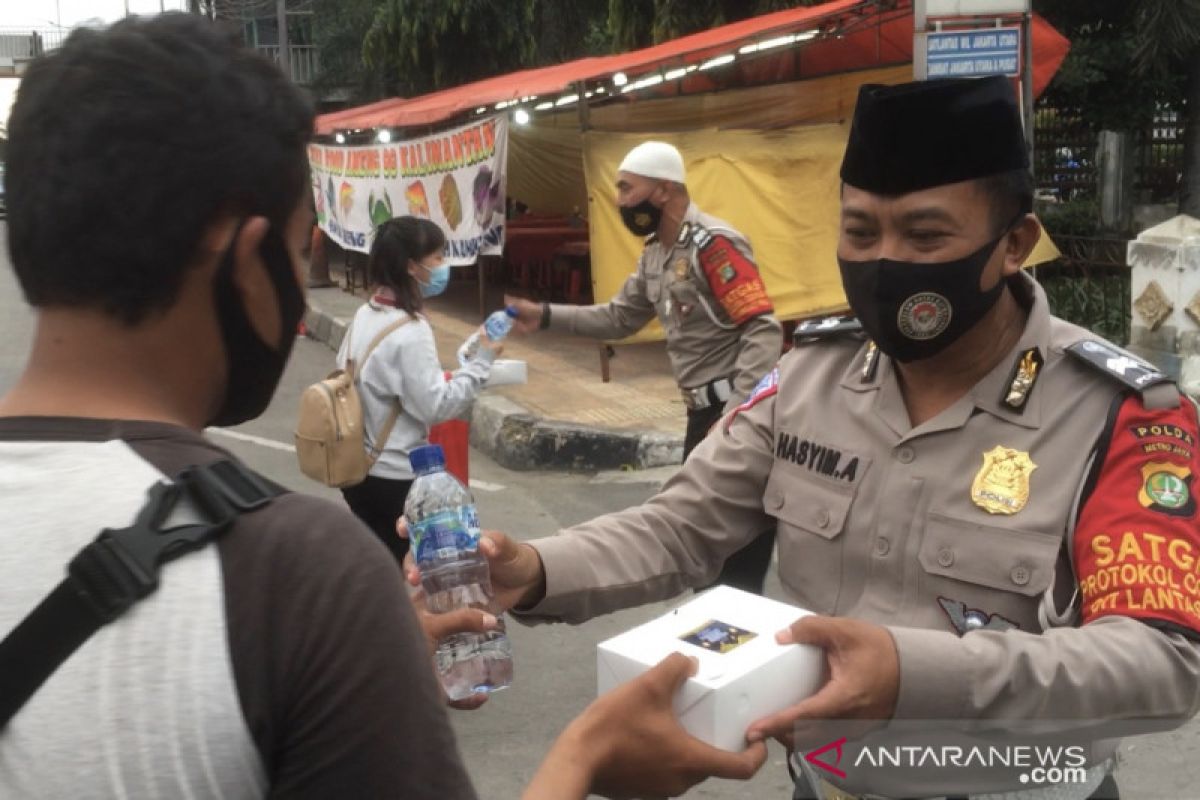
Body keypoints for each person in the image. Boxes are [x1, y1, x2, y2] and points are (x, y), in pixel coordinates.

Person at [0, 14, 767, 798]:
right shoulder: (297, 574)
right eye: (301, 250)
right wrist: (585, 758)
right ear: (242, 255)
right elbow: (598, 329)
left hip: (712, 409)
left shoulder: (708, 245)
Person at [415, 77, 1200, 799]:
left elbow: (1161, 662)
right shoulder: (808, 377)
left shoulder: (1123, 415)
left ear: (1015, 242)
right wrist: (534, 569)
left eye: (925, 236)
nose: (886, 262)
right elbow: (680, 526)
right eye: (860, 231)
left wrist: (913, 673)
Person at [507, 140, 783, 594]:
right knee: (706, 555)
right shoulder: (657, 254)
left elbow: (762, 330)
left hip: (734, 417)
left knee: (732, 564)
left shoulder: (712, 246)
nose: (619, 201)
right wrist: (546, 315)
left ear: (663, 190)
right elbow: (618, 317)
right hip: (703, 418)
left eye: (626, 188)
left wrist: (739, 414)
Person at [337, 216, 494, 563]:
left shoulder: (366, 313)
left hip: (358, 471)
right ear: (412, 266)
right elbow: (434, 407)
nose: (444, 266)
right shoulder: (410, 329)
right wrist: (481, 363)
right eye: (437, 257)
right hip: (398, 479)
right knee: (446, 572)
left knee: (383, 569)